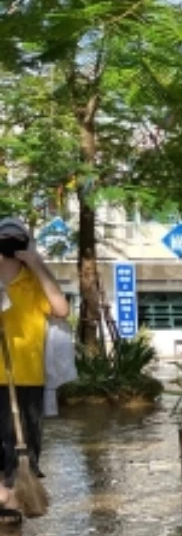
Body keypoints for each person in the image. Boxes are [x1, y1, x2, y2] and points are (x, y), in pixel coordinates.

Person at [0, 218, 68, 513]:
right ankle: (4, 499)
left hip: (27, 378)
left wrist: (37, 264)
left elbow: (61, 310)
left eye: (18, 241)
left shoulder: (34, 282)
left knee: (24, 448)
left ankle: (14, 502)